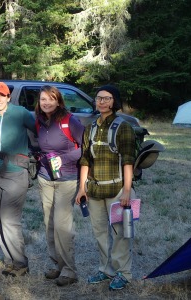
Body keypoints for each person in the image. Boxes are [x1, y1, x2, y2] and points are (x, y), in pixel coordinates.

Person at [75, 85, 136, 290]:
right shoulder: (90, 127)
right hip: (94, 190)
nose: (101, 101)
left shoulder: (123, 127)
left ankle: (123, 273)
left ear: (114, 102)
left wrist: (127, 191)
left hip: (117, 189)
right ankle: (106, 269)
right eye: (99, 98)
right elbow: (85, 160)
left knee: (120, 233)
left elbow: (128, 161)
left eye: (107, 98)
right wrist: (82, 188)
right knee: (100, 232)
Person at [0, 82, 36, 277]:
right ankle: (10, 261)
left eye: (2, 96)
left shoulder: (20, 113)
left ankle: (21, 263)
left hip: (16, 172)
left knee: (9, 219)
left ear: (8, 97)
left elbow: (38, 131)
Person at [34, 85, 84, 286]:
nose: (46, 102)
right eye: (43, 99)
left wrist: (64, 158)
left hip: (67, 179)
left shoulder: (70, 121)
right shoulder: (39, 121)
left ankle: (69, 271)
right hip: (45, 177)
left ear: (58, 101)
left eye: (50, 99)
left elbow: (86, 148)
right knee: (50, 224)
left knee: (62, 225)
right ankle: (57, 265)